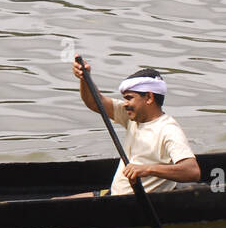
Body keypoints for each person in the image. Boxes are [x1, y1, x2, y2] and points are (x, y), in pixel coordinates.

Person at [71, 58, 201, 195]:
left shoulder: (168, 130)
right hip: (112, 195)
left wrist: (147, 169)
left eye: (129, 98)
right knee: (55, 203)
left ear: (149, 98)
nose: (125, 103)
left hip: (135, 204)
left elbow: (192, 171)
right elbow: (95, 102)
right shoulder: (131, 117)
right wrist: (85, 79)